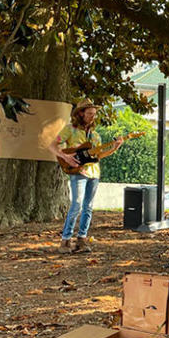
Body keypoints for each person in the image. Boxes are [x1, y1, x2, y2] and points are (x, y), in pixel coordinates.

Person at [49, 100, 123, 254]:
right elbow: (52, 145)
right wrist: (65, 157)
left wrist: (115, 148)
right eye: (89, 114)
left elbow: (100, 155)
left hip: (94, 173)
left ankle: (82, 239)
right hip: (79, 172)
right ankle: (65, 240)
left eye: (94, 114)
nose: (92, 117)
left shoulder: (95, 135)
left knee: (88, 207)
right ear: (81, 114)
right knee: (76, 205)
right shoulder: (70, 129)